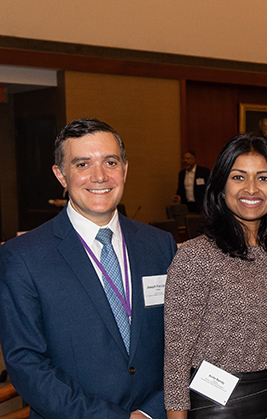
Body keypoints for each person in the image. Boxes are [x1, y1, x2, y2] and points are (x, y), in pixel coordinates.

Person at [0, 118, 177, 418]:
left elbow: (185, 341)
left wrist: (152, 411)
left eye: (110, 162)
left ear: (125, 169)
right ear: (61, 175)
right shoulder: (23, 257)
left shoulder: (160, 246)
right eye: (82, 164)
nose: (100, 176)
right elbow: (26, 363)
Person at [164, 134, 267, 419]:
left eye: (264, 178)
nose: (252, 188)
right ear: (220, 186)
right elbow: (176, 358)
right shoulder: (196, 256)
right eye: (239, 177)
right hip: (218, 408)